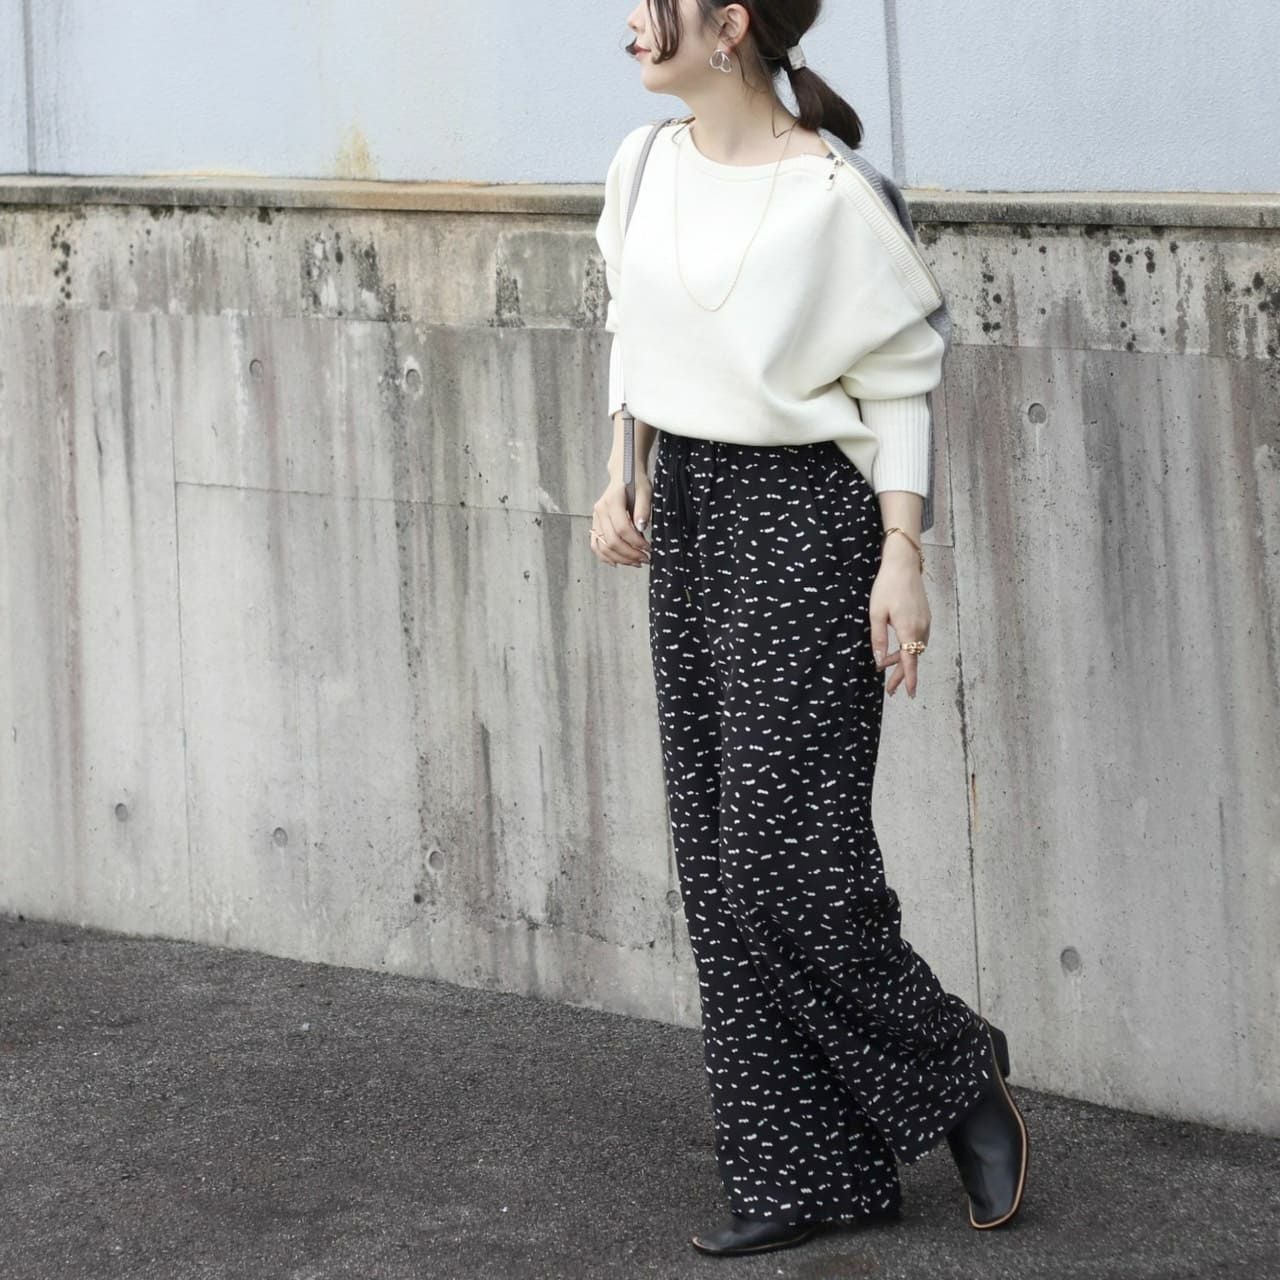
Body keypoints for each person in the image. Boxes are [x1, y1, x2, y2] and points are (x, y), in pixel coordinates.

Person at [589, 1, 1030, 1258]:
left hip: (807, 516)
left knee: (783, 856)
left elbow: (899, 386)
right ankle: (804, 1171)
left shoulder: (836, 194)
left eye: (654, 4)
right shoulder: (640, 165)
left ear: (728, 24)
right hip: (690, 508)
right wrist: (620, 470)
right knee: (716, 862)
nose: (628, 24)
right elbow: (631, 332)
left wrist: (903, 552)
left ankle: (953, 1071)